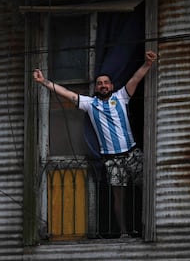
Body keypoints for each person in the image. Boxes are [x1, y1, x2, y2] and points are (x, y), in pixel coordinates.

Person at [33, 50, 157, 238]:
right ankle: (124, 232)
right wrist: (44, 82)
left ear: (112, 85)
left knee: (147, 187)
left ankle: (148, 227)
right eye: (100, 83)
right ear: (97, 87)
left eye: (106, 82)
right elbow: (67, 94)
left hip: (132, 153)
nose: (103, 85)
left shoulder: (122, 96)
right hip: (112, 159)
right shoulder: (90, 104)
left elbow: (135, 79)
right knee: (118, 197)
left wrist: (147, 64)